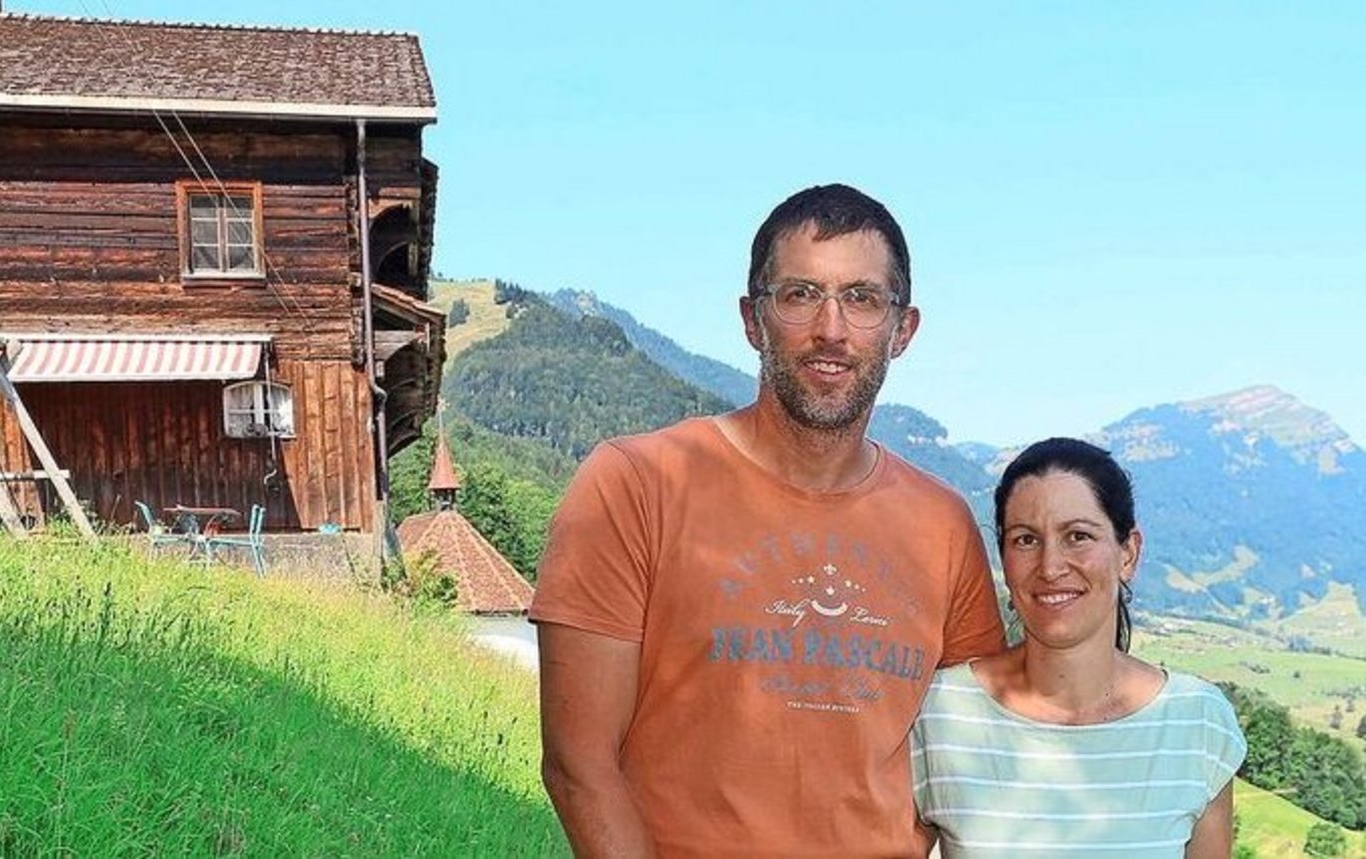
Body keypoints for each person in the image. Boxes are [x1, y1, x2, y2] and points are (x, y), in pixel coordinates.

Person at [530, 183, 1007, 858]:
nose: (832, 330)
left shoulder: (945, 526)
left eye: (863, 298)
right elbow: (579, 765)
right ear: (753, 319)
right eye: (800, 294)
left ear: (903, 330)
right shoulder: (634, 485)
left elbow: (967, 770)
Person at [910, 437, 1246, 858]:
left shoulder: (1198, 723)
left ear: (1128, 553)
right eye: (1025, 540)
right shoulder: (939, 711)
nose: (1050, 567)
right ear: (1004, 560)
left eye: (1078, 536)